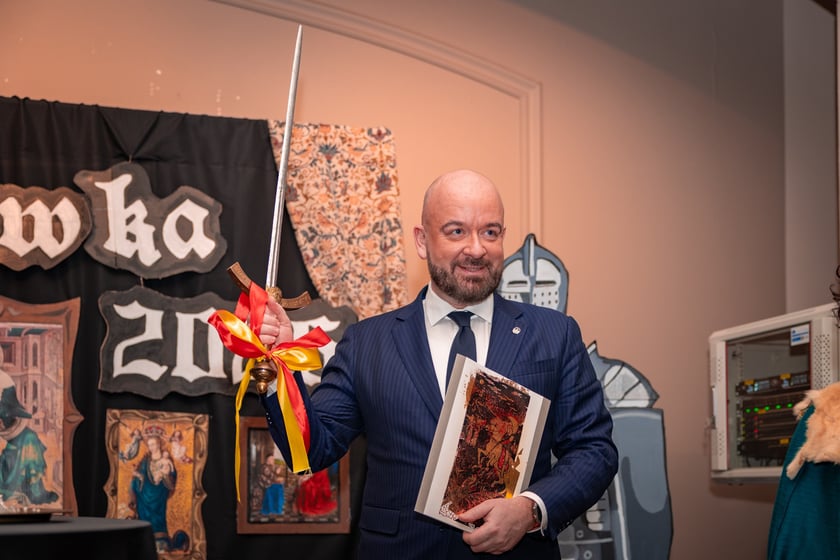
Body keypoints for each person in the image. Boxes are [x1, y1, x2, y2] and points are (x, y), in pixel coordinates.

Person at [257, 169, 618, 558]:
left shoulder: (554, 335)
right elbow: (311, 450)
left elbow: (593, 449)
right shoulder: (367, 343)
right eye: (456, 231)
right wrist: (279, 366)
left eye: (490, 232)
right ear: (422, 240)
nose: (476, 249)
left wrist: (531, 509)